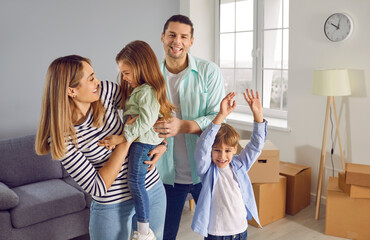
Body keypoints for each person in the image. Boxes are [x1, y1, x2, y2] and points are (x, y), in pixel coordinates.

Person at [35, 55, 167, 240]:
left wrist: (163, 143)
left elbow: (150, 108)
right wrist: (127, 138)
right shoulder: (62, 139)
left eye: (94, 75)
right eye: (90, 79)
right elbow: (98, 187)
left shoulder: (105, 93)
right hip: (112, 205)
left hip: (150, 189)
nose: (98, 81)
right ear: (71, 90)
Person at [153, 14, 225, 240]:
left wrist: (183, 125)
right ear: (163, 38)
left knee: (217, 232)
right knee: (164, 235)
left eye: (184, 36)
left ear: (191, 41)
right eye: (172, 35)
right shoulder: (150, 75)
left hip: (205, 170)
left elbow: (217, 117)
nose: (177, 41)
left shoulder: (209, 71)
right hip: (165, 175)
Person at [99, 40, 176, 240]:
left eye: (126, 73)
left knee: (135, 180)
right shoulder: (138, 90)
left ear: (140, 68)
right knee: (134, 180)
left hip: (142, 142)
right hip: (143, 140)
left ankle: (143, 230)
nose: (123, 79)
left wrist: (121, 137)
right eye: (122, 73)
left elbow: (147, 121)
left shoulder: (147, 91)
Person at [191, 90, 267, 240]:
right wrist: (221, 116)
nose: (222, 156)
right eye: (217, 150)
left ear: (234, 149)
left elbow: (256, 145)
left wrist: (258, 115)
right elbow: (203, 145)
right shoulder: (206, 170)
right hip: (216, 234)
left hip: (240, 231)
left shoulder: (240, 165)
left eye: (227, 150)